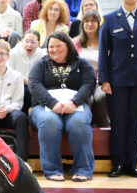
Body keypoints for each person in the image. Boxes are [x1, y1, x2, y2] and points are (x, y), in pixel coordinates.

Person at [99, 0, 137, 178]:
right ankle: (117, 163)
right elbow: (103, 51)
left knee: (135, 121)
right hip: (116, 78)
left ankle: (132, 163)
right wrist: (104, 79)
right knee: (118, 121)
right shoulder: (109, 19)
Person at [29, 31, 95, 182]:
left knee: (78, 122)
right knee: (50, 121)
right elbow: (34, 85)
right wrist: (52, 103)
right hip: (45, 106)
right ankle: (52, 170)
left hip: (75, 106)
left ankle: (83, 169)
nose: (54, 49)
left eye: (59, 45)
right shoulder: (41, 64)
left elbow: (90, 84)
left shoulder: (82, 63)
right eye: (51, 46)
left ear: (68, 46)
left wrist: (74, 102)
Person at [72, 9, 108, 127]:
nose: (89, 24)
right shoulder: (75, 42)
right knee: (86, 97)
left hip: (101, 82)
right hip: (80, 81)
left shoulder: (106, 43)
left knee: (102, 96)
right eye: (86, 21)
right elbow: (70, 65)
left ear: (99, 23)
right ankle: (82, 126)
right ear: (82, 24)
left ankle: (104, 126)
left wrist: (99, 81)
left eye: (93, 20)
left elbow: (111, 66)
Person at [8, 29, 46, 115]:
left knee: (30, 91)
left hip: (35, 85)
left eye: (33, 42)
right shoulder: (13, 53)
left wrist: (33, 81)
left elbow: (45, 75)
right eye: (27, 41)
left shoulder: (43, 55)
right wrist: (23, 79)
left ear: (38, 44)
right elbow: (8, 73)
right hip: (15, 84)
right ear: (22, 41)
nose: (29, 45)